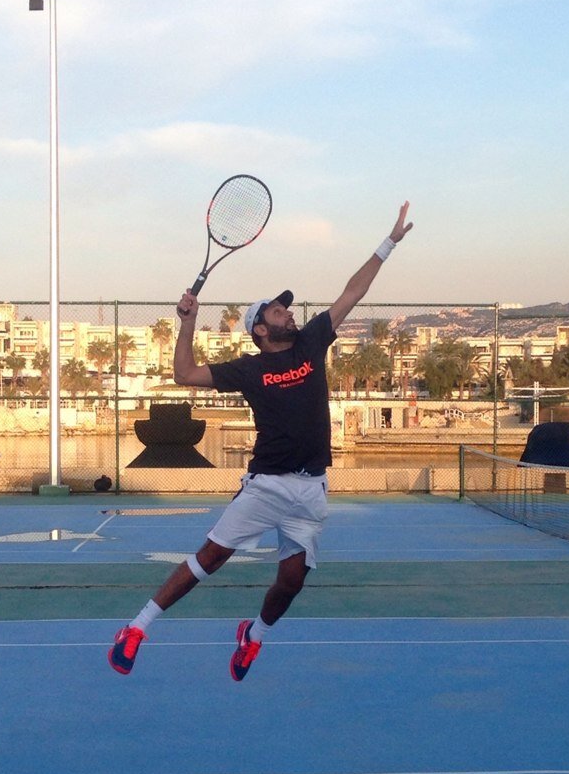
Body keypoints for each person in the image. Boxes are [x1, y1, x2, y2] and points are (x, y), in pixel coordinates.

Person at [109, 201, 414, 682]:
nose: (288, 313)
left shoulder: (312, 341)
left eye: (287, 308)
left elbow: (353, 290)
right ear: (260, 329)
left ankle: (254, 637)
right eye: (278, 310)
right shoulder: (249, 369)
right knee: (211, 557)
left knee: (292, 581)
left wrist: (388, 243)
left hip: (311, 487)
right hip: (267, 485)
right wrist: (187, 321)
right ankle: (136, 628)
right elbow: (184, 372)